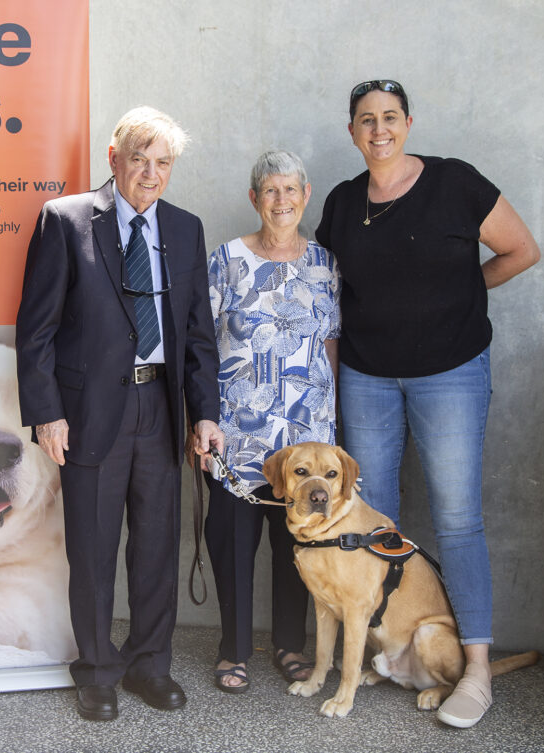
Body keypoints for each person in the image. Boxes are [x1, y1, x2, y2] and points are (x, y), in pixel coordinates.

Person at [316, 80, 540, 728]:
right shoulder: (341, 202)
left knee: (458, 517)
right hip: (366, 378)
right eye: (366, 120)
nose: (379, 129)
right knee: (374, 521)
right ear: (352, 131)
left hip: (450, 374)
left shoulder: (455, 183)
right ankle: (387, 647)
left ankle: (473, 669)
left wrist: (463, 293)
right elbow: (331, 299)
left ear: (408, 123)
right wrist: (330, 386)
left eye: (390, 117)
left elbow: (520, 250)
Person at [15, 106, 224, 722]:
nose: (151, 174)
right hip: (89, 413)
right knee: (94, 546)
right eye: (140, 158)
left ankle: (149, 666)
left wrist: (204, 412)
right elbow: (37, 331)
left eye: (163, 163)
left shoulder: (185, 229)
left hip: (161, 406)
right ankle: (98, 670)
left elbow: (198, 334)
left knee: (157, 547)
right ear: (115, 157)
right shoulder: (67, 219)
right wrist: (47, 413)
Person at [198, 150, 340, 694]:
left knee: (297, 545)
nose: (281, 201)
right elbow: (201, 347)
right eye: (270, 191)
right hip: (238, 435)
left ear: (305, 197)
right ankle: (232, 649)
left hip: (305, 440)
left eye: (291, 190)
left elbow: (329, 346)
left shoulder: (326, 264)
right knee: (232, 542)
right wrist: (202, 419)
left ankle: (290, 644)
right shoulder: (226, 260)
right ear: (254, 199)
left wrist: (332, 428)